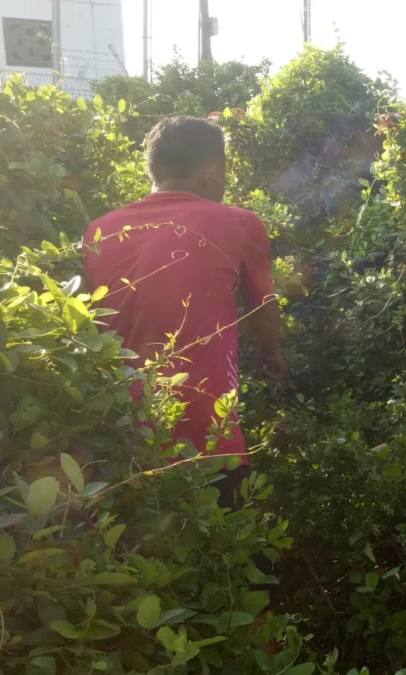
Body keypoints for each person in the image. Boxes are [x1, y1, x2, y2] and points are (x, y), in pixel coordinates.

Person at [82, 115, 285, 518]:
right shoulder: (239, 223)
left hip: (119, 436)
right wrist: (273, 354)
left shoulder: (98, 231)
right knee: (229, 560)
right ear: (211, 170)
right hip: (205, 435)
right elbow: (264, 306)